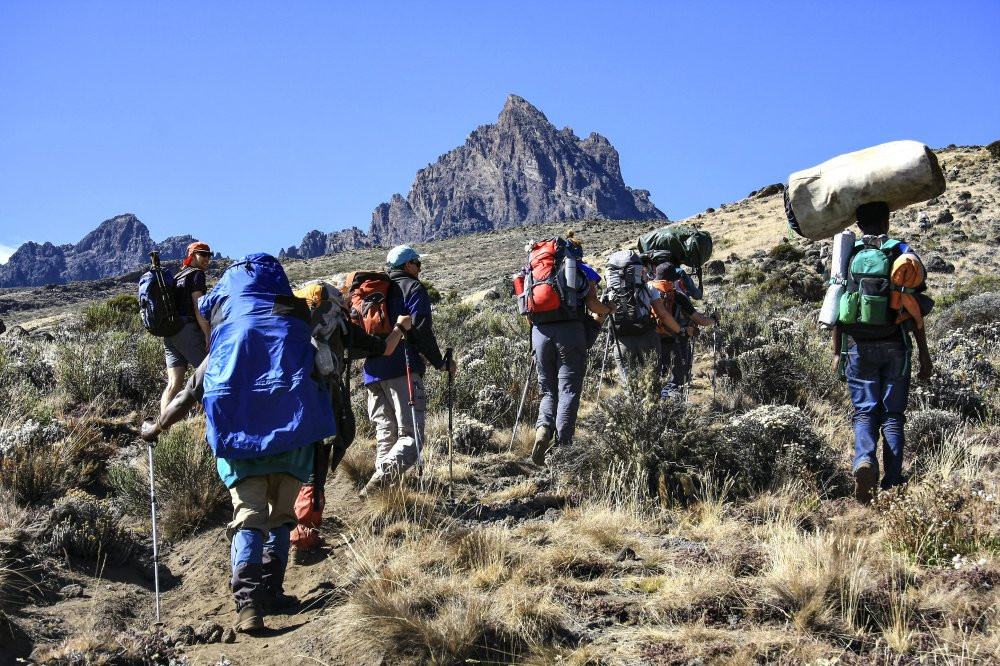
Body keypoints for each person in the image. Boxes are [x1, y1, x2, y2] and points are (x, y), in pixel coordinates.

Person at [141, 254, 412, 633]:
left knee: (248, 516)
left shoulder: (227, 339)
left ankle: (249, 604)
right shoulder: (296, 326)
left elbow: (186, 395)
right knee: (282, 517)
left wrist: (156, 427)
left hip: (239, 440)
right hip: (293, 439)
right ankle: (272, 591)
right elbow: (330, 370)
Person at [288, 281, 412, 560]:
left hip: (286, 406)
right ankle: (304, 539)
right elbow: (385, 348)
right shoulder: (339, 327)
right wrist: (400, 327)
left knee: (289, 470)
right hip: (321, 406)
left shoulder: (291, 325)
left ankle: (277, 536)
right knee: (314, 471)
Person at [831, 202, 933, 504]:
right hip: (895, 345)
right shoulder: (900, 250)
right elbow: (914, 305)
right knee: (893, 416)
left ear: (859, 224)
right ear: (886, 222)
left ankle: (864, 460)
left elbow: (836, 300)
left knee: (865, 412)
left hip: (857, 346)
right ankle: (892, 481)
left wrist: (837, 352)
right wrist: (924, 354)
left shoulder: (847, 253)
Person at [361, 245, 457, 494]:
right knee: (411, 438)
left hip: (372, 372)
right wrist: (440, 362)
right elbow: (422, 330)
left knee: (386, 435)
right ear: (407, 265)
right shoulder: (413, 288)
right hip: (401, 368)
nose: (420, 268)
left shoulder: (375, 291)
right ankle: (378, 484)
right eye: (417, 263)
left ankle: (384, 501)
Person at [531, 231, 616, 466]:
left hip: (539, 333)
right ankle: (563, 448)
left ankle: (543, 429)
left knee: (548, 391)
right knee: (568, 390)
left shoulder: (537, 272)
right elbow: (593, 304)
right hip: (570, 332)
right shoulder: (582, 270)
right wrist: (608, 309)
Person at [606, 250, 682, 388]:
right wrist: (680, 330)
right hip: (647, 338)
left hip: (622, 340)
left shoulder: (610, 292)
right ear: (640, 271)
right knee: (652, 383)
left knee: (630, 385)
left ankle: (632, 402)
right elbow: (663, 314)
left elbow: (598, 316)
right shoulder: (649, 288)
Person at [648, 262, 718, 400]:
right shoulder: (677, 295)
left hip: (649, 341)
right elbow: (700, 320)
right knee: (675, 380)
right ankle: (672, 407)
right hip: (672, 341)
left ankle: (657, 404)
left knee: (655, 378)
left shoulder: (647, 291)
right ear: (674, 279)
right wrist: (713, 319)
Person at [160, 241, 213, 415]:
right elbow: (198, 306)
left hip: (171, 333)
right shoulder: (196, 274)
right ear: (192, 255)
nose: (207, 258)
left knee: (173, 384)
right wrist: (207, 334)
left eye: (209, 255)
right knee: (209, 374)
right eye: (202, 254)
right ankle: (201, 420)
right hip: (188, 331)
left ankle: (163, 426)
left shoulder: (177, 277)